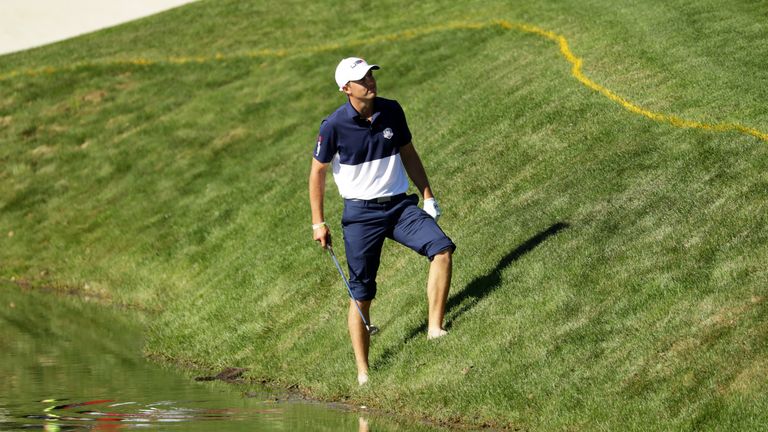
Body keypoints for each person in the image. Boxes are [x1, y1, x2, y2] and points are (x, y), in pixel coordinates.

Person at [308, 57, 455, 386]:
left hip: (400, 207)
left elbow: (408, 152)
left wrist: (428, 195)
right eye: (361, 79)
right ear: (346, 89)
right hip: (361, 216)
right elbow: (317, 173)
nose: (370, 82)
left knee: (442, 249)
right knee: (361, 293)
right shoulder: (333, 126)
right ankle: (364, 372)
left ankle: (434, 328)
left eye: (371, 75)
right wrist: (318, 222)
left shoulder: (391, 109)